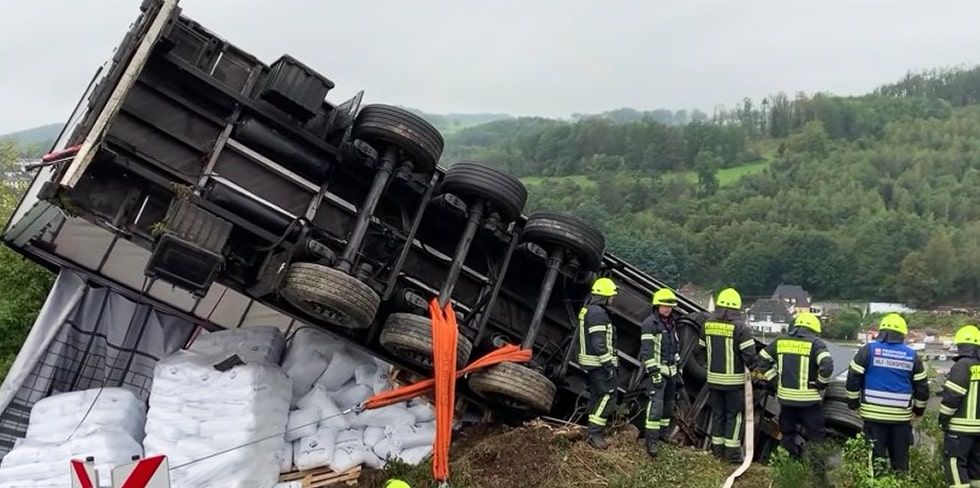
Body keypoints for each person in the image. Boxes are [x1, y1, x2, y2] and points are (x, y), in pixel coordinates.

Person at [845, 313, 928, 474]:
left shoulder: (868, 351)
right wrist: (918, 411)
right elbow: (922, 388)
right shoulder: (912, 356)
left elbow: (853, 378)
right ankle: (901, 483)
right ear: (903, 334)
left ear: (881, 331)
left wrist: (853, 404)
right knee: (901, 460)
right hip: (901, 419)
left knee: (875, 459)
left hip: (873, 417)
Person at [757, 312, 834, 458]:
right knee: (816, 435)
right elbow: (827, 364)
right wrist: (820, 383)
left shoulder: (780, 341)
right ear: (814, 330)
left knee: (787, 434)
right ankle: (817, 471)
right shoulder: (816, 344)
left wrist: (774, 380)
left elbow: (761, 360)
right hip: (808, 402)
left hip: (786, 401)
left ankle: (789, 466)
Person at [700, 287, 756, 463]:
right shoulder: (741, 328)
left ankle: (717, 452)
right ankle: (731, 455)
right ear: (737, 308)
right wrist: (756, 372)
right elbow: (749, 356)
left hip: (713, 380)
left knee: (718, 415)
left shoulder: (707, 324)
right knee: (734, 416)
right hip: (734, 383)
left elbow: (701, 351)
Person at [639, 288, 684, 457]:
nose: (668, 309)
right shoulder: (650, 323)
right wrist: (653, 372)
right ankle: (651, 442)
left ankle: (663, 435)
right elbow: (647, 351)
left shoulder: (671, 323)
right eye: (665, 306)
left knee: (668, 407)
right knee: (655, 408)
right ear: (657, 305)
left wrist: (677, 366)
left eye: (670, 306)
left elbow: (674, 346)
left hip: (671, 372)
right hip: (658, 372)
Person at [578, 277, 619, 449]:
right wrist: (608, 364)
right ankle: (595, 434)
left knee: (596, 397)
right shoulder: (597, 313)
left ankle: (592, 431)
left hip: (592, 364)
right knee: (608, 396)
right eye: (612, 296)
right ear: (605, 296)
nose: (613, 299)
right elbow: (598, 343)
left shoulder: (589, 310)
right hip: (599, 364)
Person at [939, 324, 980, 488]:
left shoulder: (962, 366)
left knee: (955, 464)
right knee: (976, 468)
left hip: (960, 429)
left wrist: (943, 418)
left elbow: (952, 396)